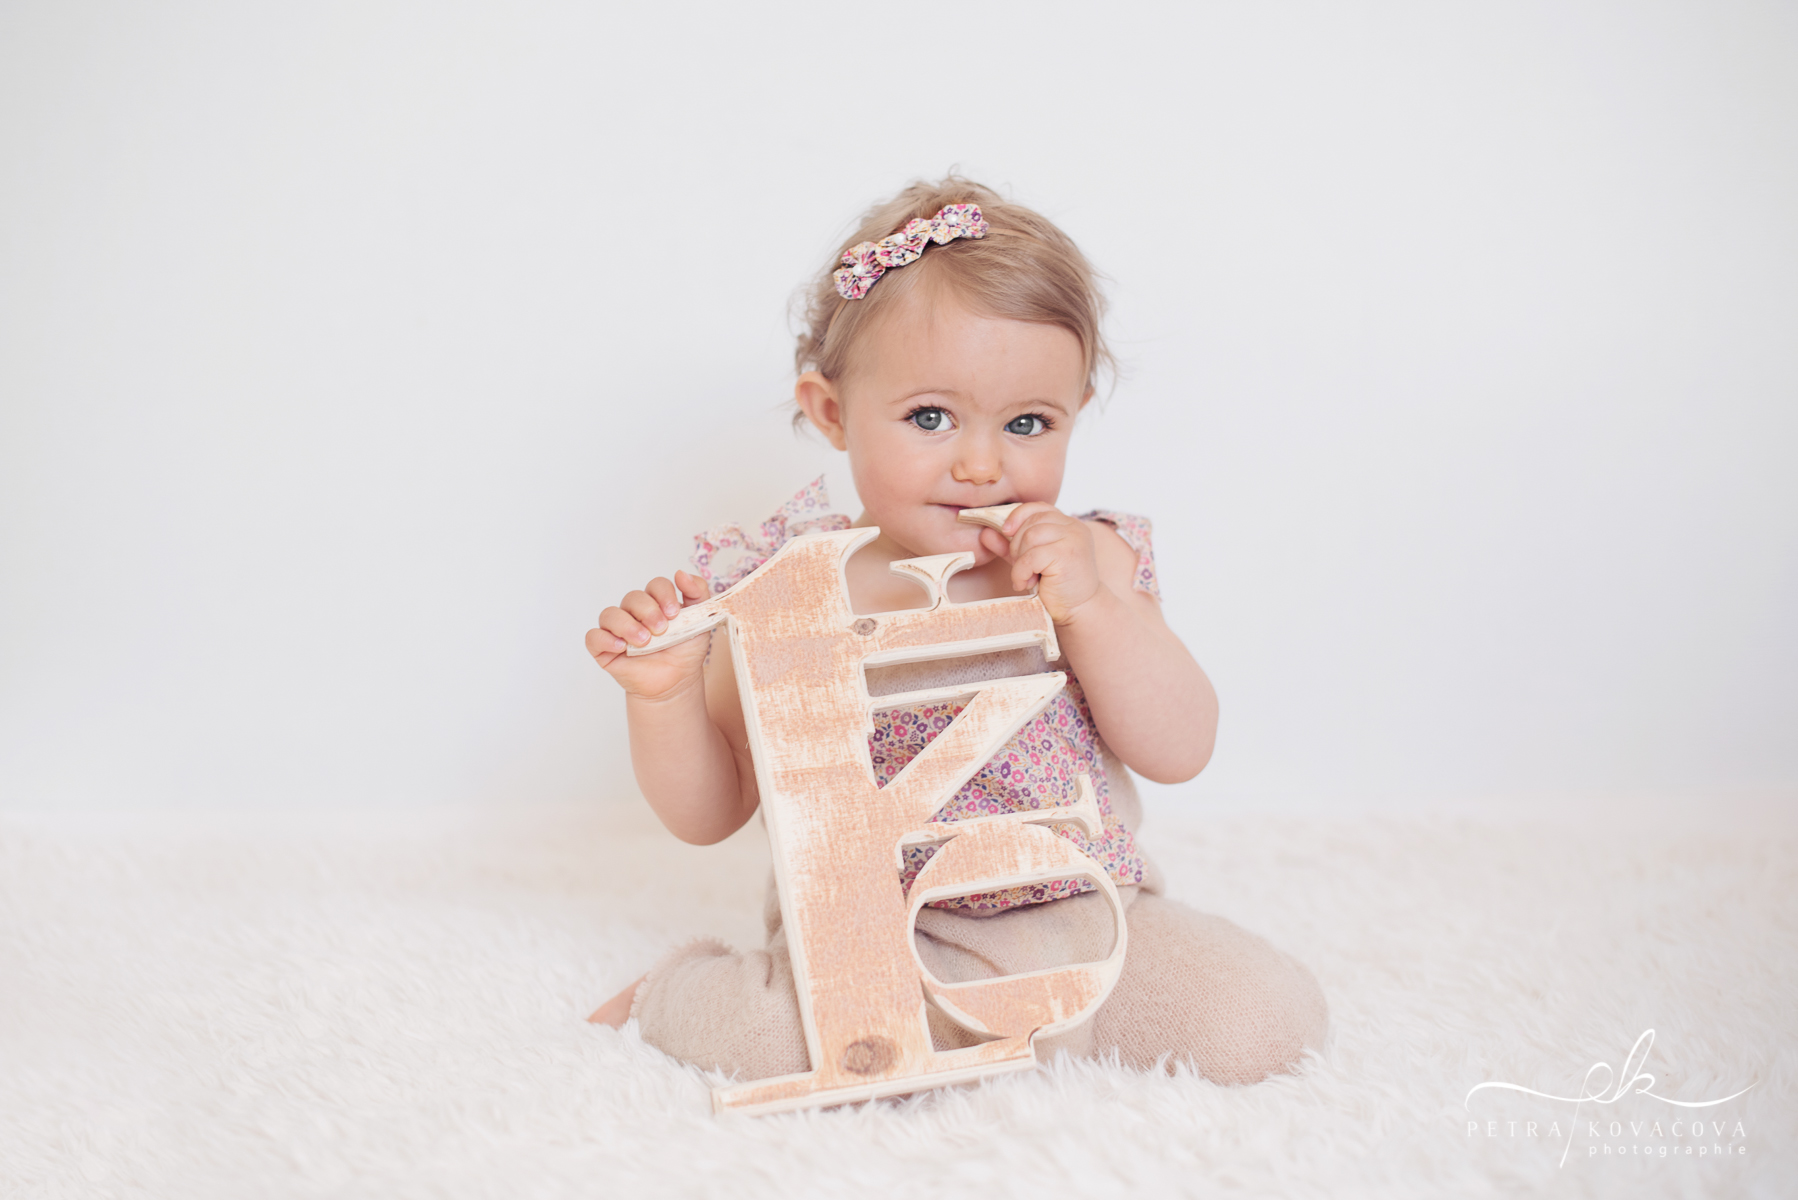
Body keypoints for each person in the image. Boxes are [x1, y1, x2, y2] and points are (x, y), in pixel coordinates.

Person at [583, 178, 1327, 1086]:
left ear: (1077, 408)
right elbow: (713, 811)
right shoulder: (794, 589)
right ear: (831, 412)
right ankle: (676, 992)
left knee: (1258, 1024)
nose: (981, 464)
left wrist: (1093, 608)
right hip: (880, 938)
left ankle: (1030, 1028)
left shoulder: (1094, 558)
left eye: (1027, 423)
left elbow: (1180, 749)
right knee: (777, 1045)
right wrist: (664, 702)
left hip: (1093, 913)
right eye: (930, 418)